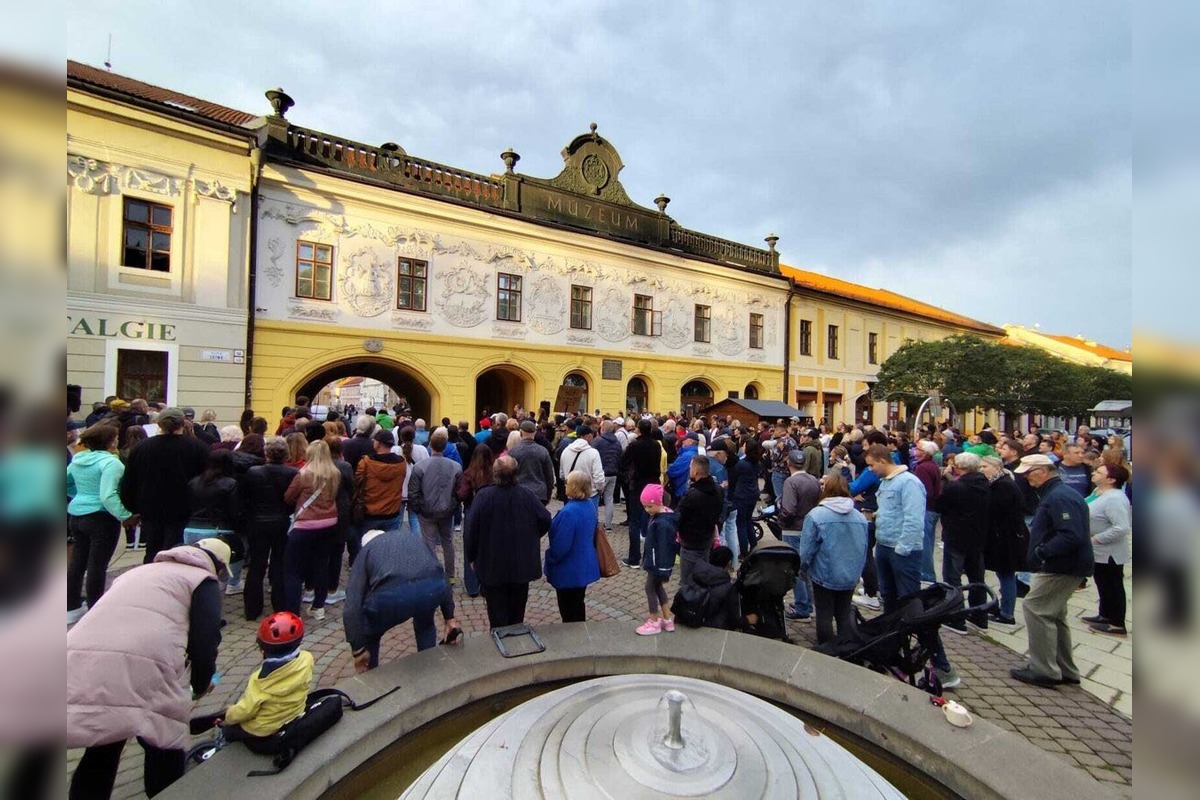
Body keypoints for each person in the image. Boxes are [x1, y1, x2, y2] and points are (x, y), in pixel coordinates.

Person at [67, 539, 228, 799]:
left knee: (104, 743)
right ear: (219, 566)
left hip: (84, 657)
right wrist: (200, 684)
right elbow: (205, 640)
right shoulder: (202, 580)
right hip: (144, 664)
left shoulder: (139, 571)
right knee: (164, 743)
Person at [866, 443, 960, 688]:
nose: (870, 470)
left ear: (881, 459)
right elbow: (891, 511)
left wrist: (902, 549)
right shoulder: (887, 482)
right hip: (885, 546)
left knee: (914, 609)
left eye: (871, 465)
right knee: (890, 603)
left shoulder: (908, 483)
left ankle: (942, 666)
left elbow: (913, 519)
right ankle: (894, 651)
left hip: (902, 551)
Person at [1010, 454, 1092, 687]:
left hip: (1061, 566)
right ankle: (1064, 668)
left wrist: (1042, 552)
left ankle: (1044, 669)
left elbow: (1071, 534)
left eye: (1029, 473)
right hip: (1065, 565)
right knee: (1054, 614)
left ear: (1043, 471)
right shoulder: (1058, 494)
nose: (1026, 478)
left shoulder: (1059, 497)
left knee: (1036, 608)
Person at [344, 529, 461, 670]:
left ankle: (369, 670)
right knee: (425, 622)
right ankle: (428, 665)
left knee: (370, 633)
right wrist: (450, 619)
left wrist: (358, 650)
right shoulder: (410, 538)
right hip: (431, 588)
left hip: (391, 597)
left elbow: (352, 605)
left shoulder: (366, 551)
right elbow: (440, 574)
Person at [464, 456, 552, 628]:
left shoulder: (485, 496)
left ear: (495, 473)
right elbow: (545, 519)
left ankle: (504, 640)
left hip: (493, 562)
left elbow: (471, 530)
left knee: (498, 614)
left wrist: (472, 556)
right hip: (517, 562)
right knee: (515, 612)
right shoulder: (526, 495)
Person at [119, 407, 210, 563]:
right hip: (184, 507)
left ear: (159, 424)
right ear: (183, 423)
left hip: (150, 507)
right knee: (177, 550)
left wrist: (132, 508)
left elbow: (129, 481)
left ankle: (150, 582)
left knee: (152, 549)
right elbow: (205, 479)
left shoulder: (142, 447)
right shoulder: (198, 447)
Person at [67, 422, 137, 623]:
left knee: (78, 562)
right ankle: (95, 608)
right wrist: (125, 515)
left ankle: (70, 607)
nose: (117, 439)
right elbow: (107, 495)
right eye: (115, 437)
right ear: (108, 441)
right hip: (101, 517)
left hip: (77, 515)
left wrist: (79, 495)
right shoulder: (111, 463)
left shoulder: (79, 458)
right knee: (98, 565)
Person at [214, 612, 314, 746]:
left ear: (262, 650)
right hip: (294, 713)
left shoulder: (261, 681)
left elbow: (246, 710)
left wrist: (228, 715)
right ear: (300, 641)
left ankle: (222, 744)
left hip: (264, 729)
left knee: (229, 730)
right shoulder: (307, 659)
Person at [799, 474, 869, 645]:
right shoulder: (859, 517)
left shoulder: (816, 515)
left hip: (825, 573)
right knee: (843, 613)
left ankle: (827, 649)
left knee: (824, 614)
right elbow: (865, 547)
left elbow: (807, 548)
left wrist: (802, 568)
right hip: (850, 573)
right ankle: (845, 646)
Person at [282, 440, 345, 621]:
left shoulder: (304, 474)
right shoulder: (335, 473)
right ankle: (318, 606)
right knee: (321, 565)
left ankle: (293, 612)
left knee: (292, 569)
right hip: (329, 523)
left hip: (305, 525)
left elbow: (289, 497)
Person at [934, 451, 991, 632]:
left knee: (953, 577)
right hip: (978, 536)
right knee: (977, 577)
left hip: (956, 535)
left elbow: (939, 505)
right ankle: (979, 616)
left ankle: (955, 618)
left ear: (959, 467)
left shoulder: (955, 487)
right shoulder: (986, 485)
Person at [242, 438, 298, 620]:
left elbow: (246, 497)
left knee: (257, 564)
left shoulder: (253, 472)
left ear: (266, 453)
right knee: (279, 563)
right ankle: (280, 605)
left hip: (257, 522)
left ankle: (252, 608)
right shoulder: (292, 473)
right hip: (282, 522)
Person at [544, 471, 601, 623]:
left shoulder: (569, 513)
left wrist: (550, 557)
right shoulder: (589, 505)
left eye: (567, 483)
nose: (565, 485)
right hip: (583, 565)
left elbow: (561, 546)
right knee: (578, 603)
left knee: (568, 609)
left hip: (569, 569)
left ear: (575, 487)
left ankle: (573, 639)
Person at [183, 450, 243, 593]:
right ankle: (232, 583)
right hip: (219, 528)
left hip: (191, 528)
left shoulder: (194, 482)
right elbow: (234, 510)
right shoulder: (231, 483)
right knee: (236, 552)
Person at [408, 430, 464, 584]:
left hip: (427, 510)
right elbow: (459, 491)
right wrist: (453, 505)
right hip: (446, 509)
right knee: (447, 541)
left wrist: (419, 508)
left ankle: (432, 573)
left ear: (430, 445)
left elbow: (413, 491)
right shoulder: (456, 466)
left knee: (429, 542)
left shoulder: (420, 466)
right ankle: (450, 574)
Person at [1084, 463, 1132, 636]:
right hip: (1098, 553)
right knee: (1102, 583)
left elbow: (1121, 527)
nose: (1094, 473)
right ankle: (1105, 615)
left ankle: (1117, 623)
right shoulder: (1098, 493)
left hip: (1109, 552)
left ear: (1111, 480)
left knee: (1113, 585)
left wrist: (1096, 539)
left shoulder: (1115, 499)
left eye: (1099, 472)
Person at [980, 456, 1027, 626]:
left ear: (996, 467)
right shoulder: (1000, 482)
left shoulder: (1004, 485)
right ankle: (1002, 608)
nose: (981, 469)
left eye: (984, 466)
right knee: (1004, 573)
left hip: (1006, 538)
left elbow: (997, 511)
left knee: (1006, 574)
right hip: (1003, 536)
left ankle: (1007, 613)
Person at [779, 449, 821, 621]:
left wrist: (781, 521)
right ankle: (809, 603)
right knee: (808, 567)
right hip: (810, 527)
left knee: (795, 569)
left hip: (794, 529)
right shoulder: (814, 480)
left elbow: (788, 509)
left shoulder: (791, 482)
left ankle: (802, 607)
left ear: (789, 464)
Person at [353, 429, 407, 561]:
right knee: (388, 549)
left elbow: (357, 482)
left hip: (369, 512)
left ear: (377, 443)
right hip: (392, 512)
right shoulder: (401, 463)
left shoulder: (366, 462)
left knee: (365, 549)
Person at [620, 417, 666, 567]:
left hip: (638, 485)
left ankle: (634, 558)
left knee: (634, 521)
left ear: (639, 429)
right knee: (651, 519)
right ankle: (650, 556)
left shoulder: (635, 445)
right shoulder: (656, 445)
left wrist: (628, 476)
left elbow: (623, 462)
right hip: (653, 485)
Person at [636, 483, 678, 635]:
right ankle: (667, 618)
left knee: (650, 588)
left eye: (649, 507)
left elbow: (665, 549)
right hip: (657, 562)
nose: (647, 511)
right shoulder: (662, 517)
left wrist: (663, 569)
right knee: (658, 588)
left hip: (658, 564)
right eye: (645, 507)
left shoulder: (662, 523)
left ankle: (654, 620)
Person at [675, 455, 723, 585]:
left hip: (691, 543)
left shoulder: (692, 495)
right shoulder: (718, 489)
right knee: (702, 576)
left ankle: (690, 602)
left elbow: (678, 517)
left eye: (691, 467)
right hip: (707, 539)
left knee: (688, 581)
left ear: (695, 471)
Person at [456, 446, 495, 597]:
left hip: (472, 510)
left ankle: (472, 586)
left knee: (470, 547)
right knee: (488, 546)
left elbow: (462, 494)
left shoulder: (469, 473)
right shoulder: (493, 472)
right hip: (490, 512)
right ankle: (486, 584)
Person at [913, 441, 943, 584]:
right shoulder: (931, 465)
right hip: (934, 508)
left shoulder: (923, 468)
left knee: (925, 541)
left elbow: (925, 491)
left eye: (917, 449)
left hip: (927, 508)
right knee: (928, 540)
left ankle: (927, 574)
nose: (914, 450)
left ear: (924, 453)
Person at [509, 419, 555, 504]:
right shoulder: (543, 451)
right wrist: (547, 496)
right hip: (539, 494)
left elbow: (509, 475)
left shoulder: (513, 452)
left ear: (520, 433)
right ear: (534, 433)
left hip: (519, 493)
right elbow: (549, 476)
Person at [731, 438, 762, 560]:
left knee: (741, 523)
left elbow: (734, 477)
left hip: (742, 495)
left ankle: (743, 551)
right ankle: (754, 545)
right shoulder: (756, 462)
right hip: (753, 493)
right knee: (748, 520)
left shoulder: (741, 464)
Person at [559, 425, 606, 506]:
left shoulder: (566, 451)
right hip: (590, 494)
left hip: (572, 493)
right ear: (588, 436)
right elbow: (598, 475)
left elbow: (562, 475)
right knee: (590, 517)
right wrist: (599, 489)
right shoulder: (593, 453)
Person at [591, 420, 623, 531]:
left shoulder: (597, 441)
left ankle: (593, 523)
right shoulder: (617, 442)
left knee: (594, 497)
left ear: (603, 429)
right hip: (613, 473)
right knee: (609, 499)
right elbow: (620, 457)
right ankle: (608, 525)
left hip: (600, 473)